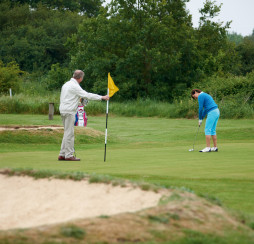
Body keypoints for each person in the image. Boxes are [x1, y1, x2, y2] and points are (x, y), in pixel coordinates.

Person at [58, 70, 109, 161]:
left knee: (67, 132)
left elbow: (69, 98)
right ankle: (69, 155)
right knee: (69, 133)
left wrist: (78, 101)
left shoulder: (66, 84)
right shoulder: (75, 86)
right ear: (81, 78)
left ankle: (62, 154)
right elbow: (87, 95)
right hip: (69, 111)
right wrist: (102, 97)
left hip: (63, 110)